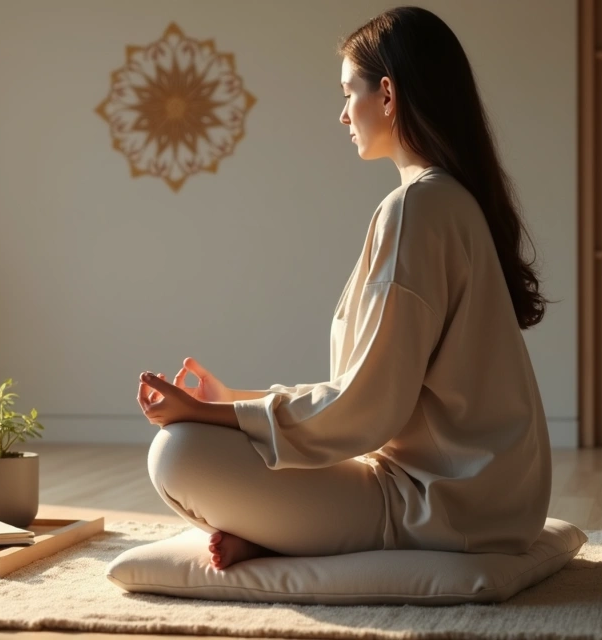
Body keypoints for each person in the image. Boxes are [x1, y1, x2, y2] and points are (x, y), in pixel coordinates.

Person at [136, 6, 552, 571]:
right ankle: (284, 532)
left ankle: (287, 534)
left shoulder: (417, 208)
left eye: (346, 92)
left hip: (437, 508)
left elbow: (365, 408)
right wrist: (233, 400)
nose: (341, 115)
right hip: (488, 502)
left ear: (387, 95)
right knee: (203, 443)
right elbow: (371, 393)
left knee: (177, 453)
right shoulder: (450, 201)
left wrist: (216, 419)